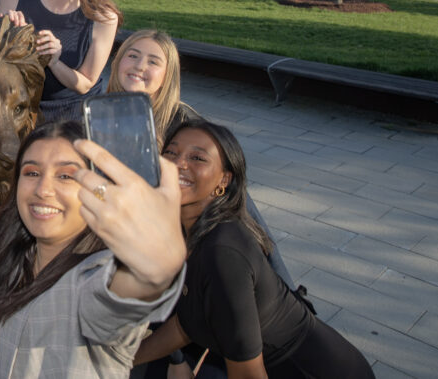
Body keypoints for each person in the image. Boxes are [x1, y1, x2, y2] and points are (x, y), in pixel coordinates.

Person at [134, 120, 375, 379]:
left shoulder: (222, 253)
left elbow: (248, 374)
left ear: (223, 180)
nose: (178, 163)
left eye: (197, 158)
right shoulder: (183, 232)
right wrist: (121, 361)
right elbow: (188, 322)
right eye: (171, 152)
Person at [0, 120, 187, 377]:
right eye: (32, 173)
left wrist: (153, 268)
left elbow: (120, 302)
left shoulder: (94, 278)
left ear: (97, 191)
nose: (43, 190)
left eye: (66, 176)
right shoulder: (5, 258)